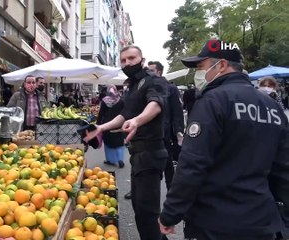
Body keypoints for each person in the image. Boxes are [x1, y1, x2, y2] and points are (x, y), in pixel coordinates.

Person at [158, 39, 288, 240]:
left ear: (222, 65)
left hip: (214, 221)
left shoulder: (212, 102)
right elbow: (283, 169)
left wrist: (170, 214)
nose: (198, 74)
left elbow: (192, 165)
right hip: (260, 221)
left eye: (201, 66)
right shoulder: (272, 107)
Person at [84, 45, 168, 240]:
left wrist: (137, 121)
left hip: (151, 153)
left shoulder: (154, 81)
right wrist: (101, 128)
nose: (127, 63)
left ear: (142, 60)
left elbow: (155, 105)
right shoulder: (130, 85)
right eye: (123, 60)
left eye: (131, 58)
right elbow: (124, 115)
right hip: (138, 155)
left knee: (147, 215)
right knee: (140, 210)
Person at [148, 61, 184, 190]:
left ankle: (171, 191)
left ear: (159, 72)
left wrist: (179, 132)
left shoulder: (171, 88)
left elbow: (177, 111)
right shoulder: (147, 87)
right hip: (150, 134)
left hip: (166, 133)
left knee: (168, 165)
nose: (149, 73)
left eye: (151, 70)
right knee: (150, 165)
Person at [97, 85, 125, 168]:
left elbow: (101, 114)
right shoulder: (121, 100)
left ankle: (110, 160)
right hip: (118, 123)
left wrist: (98, 125)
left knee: (108, 143)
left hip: (107, 124)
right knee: (119, 143)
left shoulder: (105, 101)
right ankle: (120, 159)